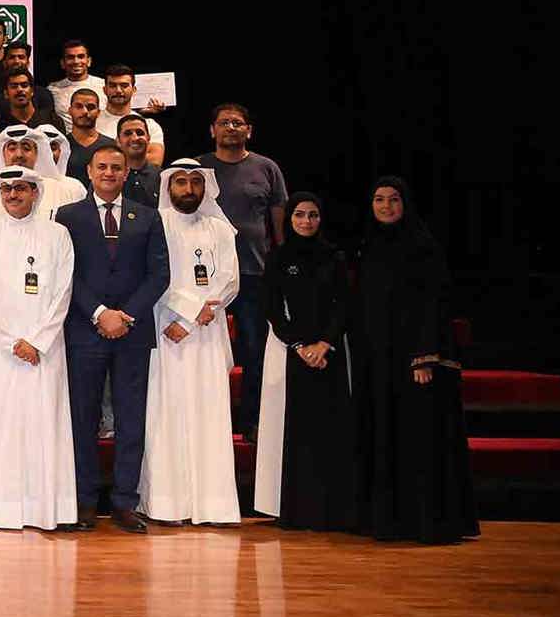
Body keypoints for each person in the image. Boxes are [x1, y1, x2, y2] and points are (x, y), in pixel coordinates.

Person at [353, 177, 477, 543]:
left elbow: (433, 305)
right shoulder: (369, 246)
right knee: (386, 436)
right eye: (379, 199)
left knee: (417, 440)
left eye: (393, 199)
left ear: (405, 204)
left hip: (414, 362)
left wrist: (424, 358)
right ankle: (389, 520)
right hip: (380, 361)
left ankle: (424, 521)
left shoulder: (422, 246)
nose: (386, 206)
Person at [52, 143, 168, 531]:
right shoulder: (67, 216)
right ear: (89, 171)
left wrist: (126, 316)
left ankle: (124, 502)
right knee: (82, 418)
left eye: (116, 168)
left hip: (133, 333)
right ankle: (84, 500)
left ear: (125, 173)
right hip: (85, 331)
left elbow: (159, 275)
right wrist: (100, 313)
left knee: (131, 419)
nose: (108, 173)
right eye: (101, 167)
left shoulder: (148, 216)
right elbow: (64, 273)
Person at [0, 168, 77, 531]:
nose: (13, 195)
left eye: (20, 189)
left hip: (45, 349)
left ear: (35, 192)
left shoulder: (57, 234)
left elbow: (63, 291)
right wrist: (12, 340)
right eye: (7, 189)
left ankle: (47, 510)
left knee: (44, 421)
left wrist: (38, 340)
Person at [137, 160, 241, 527]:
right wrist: (185, 313)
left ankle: (214, 506)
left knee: (209, 413)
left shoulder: (219, 228)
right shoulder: (156, 223)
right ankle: (166, 504)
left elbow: (230, 280)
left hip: (206, 331)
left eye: (196, 182)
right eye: (180, 182)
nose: (189, 189)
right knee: (167, 413)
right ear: (169, 187)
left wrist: (195, 316)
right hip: (165, 328)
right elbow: (154, 275)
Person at [256, 192, 357, 531]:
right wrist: (299, 345)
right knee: (295, 432)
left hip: (329, 355)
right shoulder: (278, 257)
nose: (306, 221)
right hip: (291, 353)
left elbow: (344, 304)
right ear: (289, 218)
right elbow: (271, 306)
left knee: (330, 430)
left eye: (313, 215)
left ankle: (333, 510)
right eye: (299, 215)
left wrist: (324, 344)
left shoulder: (334, 256)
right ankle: (296, 510)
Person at [198, 103, 289, 440]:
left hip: (254, 273)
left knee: (254, 351)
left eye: (238, 123)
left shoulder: (267, 168)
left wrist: (281, 261)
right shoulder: (198, 168)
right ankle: (210, 423)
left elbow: (278, 221)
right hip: (208, 277)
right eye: (224, 122)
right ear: (213, 130)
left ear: (248, 130)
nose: (231, 128)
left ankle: (251, 420)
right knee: (205, 353)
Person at [0, 125, 85, 221]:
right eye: (12, 149)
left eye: (26, 148)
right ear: (2, 154)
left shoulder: (62, 191)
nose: (19, 155)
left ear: (37, 154)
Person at [101, 66, 165, 165]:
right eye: (113, 86)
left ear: (134, 89)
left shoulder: (150, 125)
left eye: (124, 85)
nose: (118, 90)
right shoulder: (92, 122)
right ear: (105, 90)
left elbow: (154, 161)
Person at [61, 88, 118, 186]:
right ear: (70, 111)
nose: (85, 111)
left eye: (91, 107)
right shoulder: (61, 145)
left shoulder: (111, 145)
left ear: (98, 112)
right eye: (79, 106)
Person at [47, 39, 104, 130]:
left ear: (89, 61)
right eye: (70, 57)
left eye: (81, 56)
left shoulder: (104, 86)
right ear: (62, 63)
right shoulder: (52, 90)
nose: (76, 61)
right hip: (66, 138)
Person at [0, 67, 61, 137]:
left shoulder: (53, 121)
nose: (20, 89)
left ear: (32, 91)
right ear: (6, 94)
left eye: (24, 85)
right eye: (14, 86)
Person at [115, 114, 161, 206]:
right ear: (118, 141)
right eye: (128, 133)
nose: (135, 138)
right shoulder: (107, 177)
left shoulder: (163, 177)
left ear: (148, 138)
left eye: (140, 133)